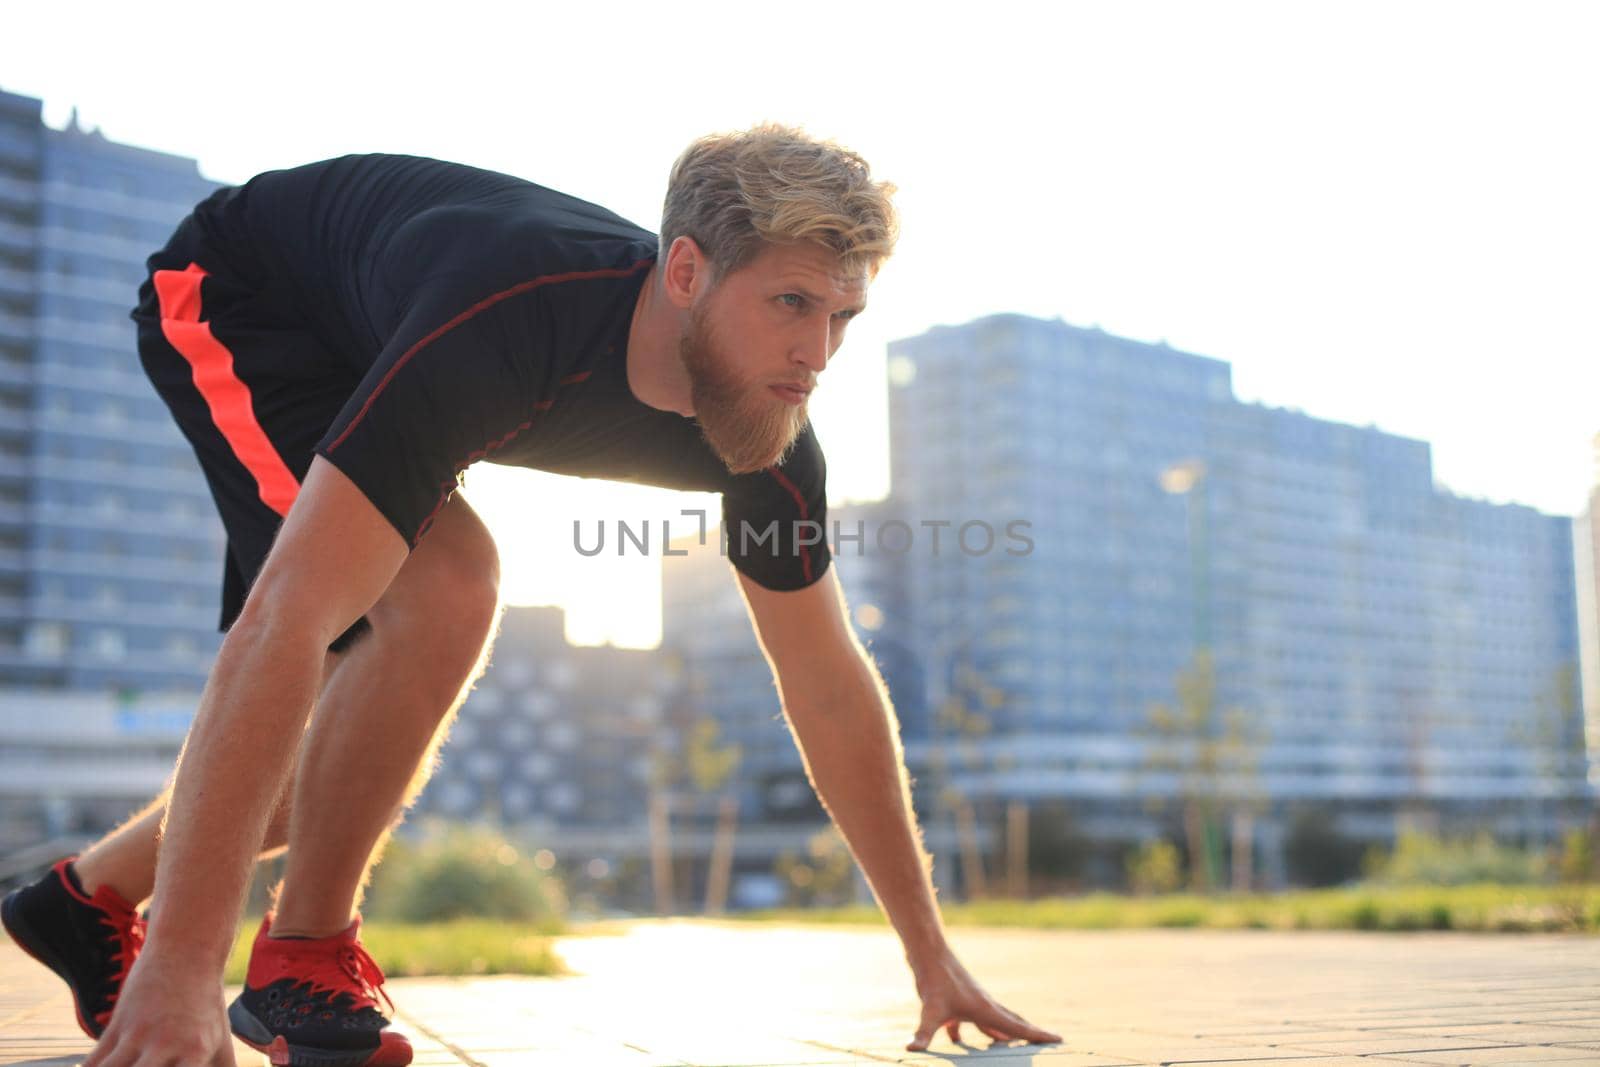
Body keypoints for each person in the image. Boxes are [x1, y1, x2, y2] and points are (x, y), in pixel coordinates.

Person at [1, 125, 1063, 1066]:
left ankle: (83, 901)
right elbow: (284, 622)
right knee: (447, 590)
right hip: (245, 294)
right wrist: (180, 969)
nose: (816, 353)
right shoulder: (507, 320)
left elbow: (829, 689)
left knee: (338, 733)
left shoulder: (772, 441)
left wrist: (934, 959)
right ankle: (299, 956)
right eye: (790, 302)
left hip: (382, 326)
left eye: (841, 315)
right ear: (685, 272)